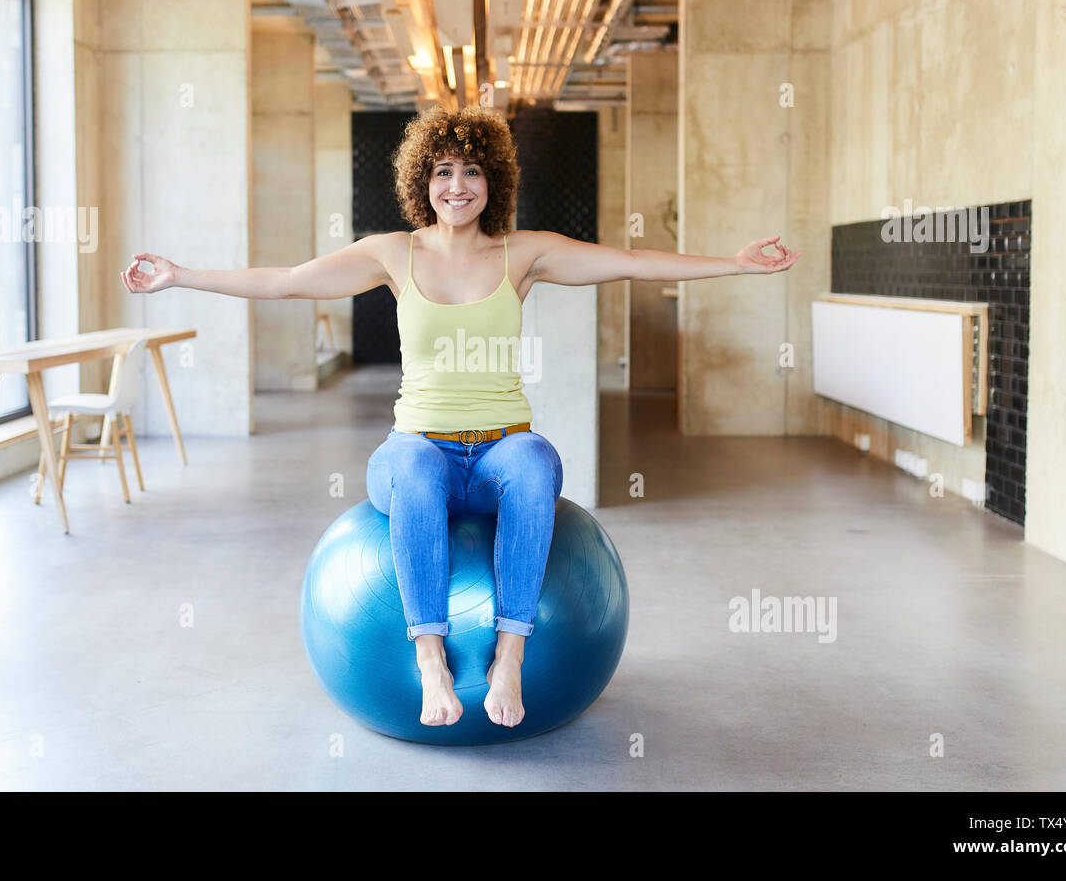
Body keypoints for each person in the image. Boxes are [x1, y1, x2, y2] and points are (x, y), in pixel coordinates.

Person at [121, 104, 800, 731]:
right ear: (423, 180)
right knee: (416, 466)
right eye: (443, 171)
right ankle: (429, 661)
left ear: (492, 181)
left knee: (535, 459)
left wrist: (735, 265)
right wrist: (180, 275)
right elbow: (285, 280)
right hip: (416, 448)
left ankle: (509, 657)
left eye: (471, 171)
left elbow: (629, 262)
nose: (457, 186)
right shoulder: (392, 253)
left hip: (500, 449)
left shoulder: (522, 253)